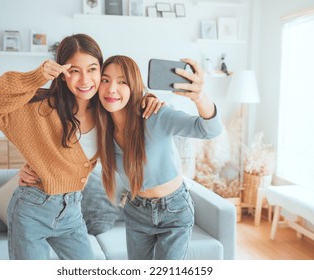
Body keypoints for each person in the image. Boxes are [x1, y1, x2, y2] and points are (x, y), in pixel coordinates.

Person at [0, 34, 161, 260]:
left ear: (101, 71)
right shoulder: (40, 109)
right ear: (61, 73)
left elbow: (132, 98)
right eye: (74, 70)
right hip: (31, 210)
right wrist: (34, 77)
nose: (85, 79)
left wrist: (150, 99)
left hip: (72, 212)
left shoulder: (106, 110)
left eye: (92, 69)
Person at [95, 55, 222, 260]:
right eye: (105, 80)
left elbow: (210, 130)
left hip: (174, 209)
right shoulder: (100, 130)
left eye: (122, 82)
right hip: (136, 210)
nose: (111, 89)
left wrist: (200, 97)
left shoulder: (154, 115)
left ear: (134, 86)